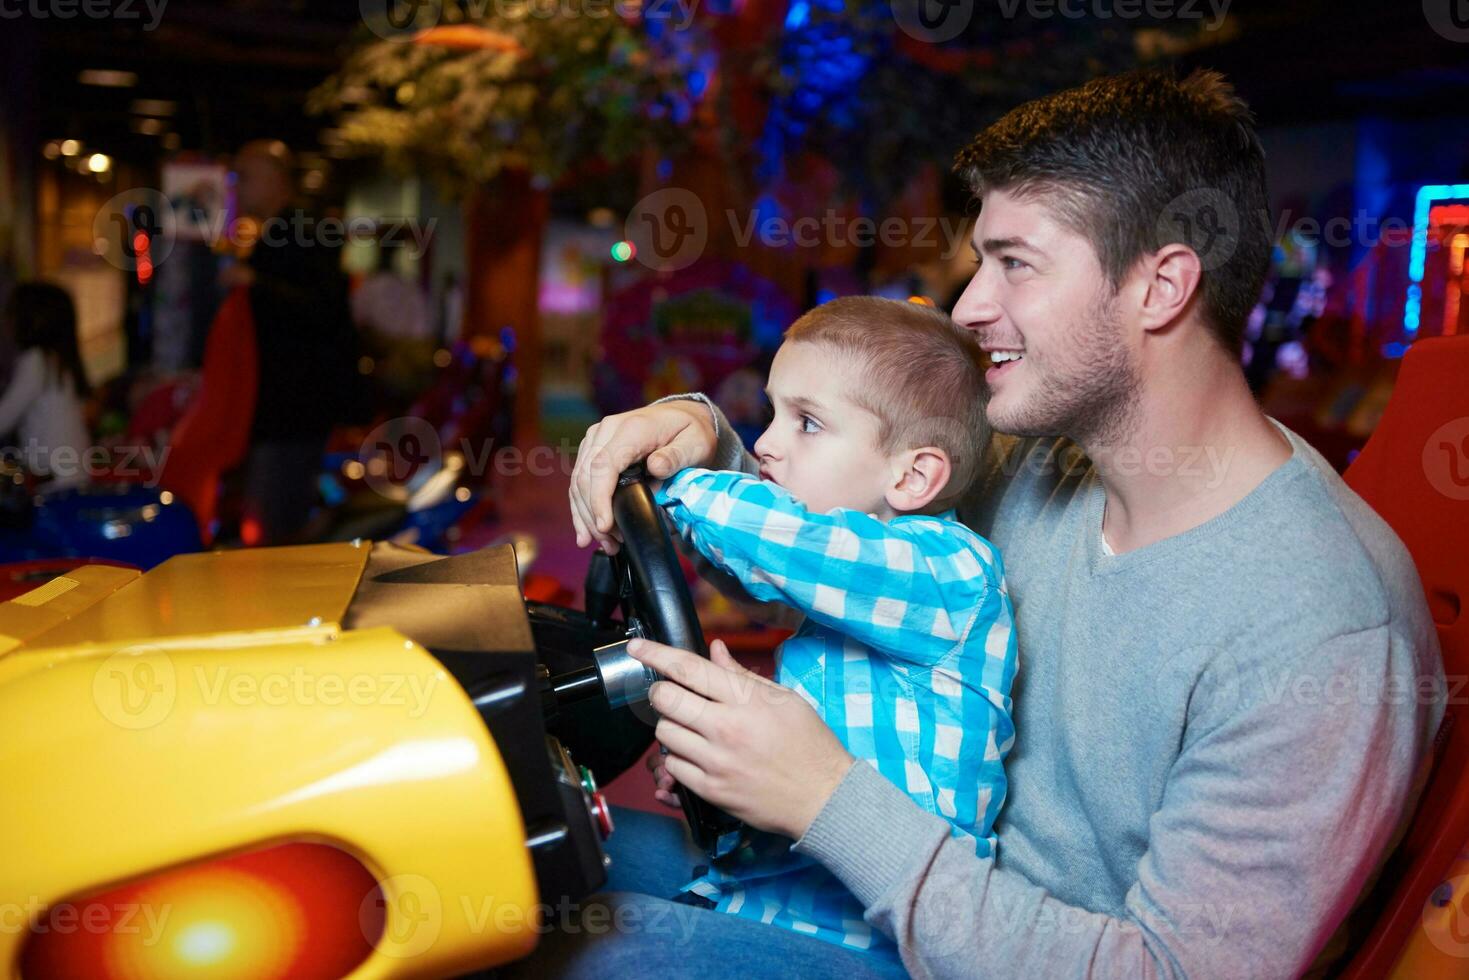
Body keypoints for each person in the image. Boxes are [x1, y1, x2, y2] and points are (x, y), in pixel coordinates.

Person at [532, 68, 1443, 979]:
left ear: (1160, 287)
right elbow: (829, 541)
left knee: (553, 953)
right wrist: (700, 432)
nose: (968, 305)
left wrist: (822, 796)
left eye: (1014, 262)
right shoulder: (1044, 461)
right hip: (880, 900)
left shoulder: (1322, 628)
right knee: (518, 853)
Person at [644, 296, 1016, 961]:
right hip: (773, 899)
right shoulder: (847, 592)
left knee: (586, 951)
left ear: (912, 475)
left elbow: (788, 542)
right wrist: (718, 773)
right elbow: (760, 568)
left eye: (807, 423)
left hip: (872, 939)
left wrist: (681, 483)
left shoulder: (947, 572)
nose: (763, 443)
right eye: (773, 412)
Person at [226, 139, 359, 544]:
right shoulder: (281, 231)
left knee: (276, 525)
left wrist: (257, 285)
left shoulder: (300, 230)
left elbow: (323, 308)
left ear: (272, 179)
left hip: (292, 410)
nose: (238, 189)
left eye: (245, 178)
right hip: (283, 409)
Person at [0, 282, 91, 489]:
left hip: (54, 483)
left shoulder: (36, 361)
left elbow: (5, 417)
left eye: (10, 312)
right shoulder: (56, 361)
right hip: (70, 477)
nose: (5, 320)